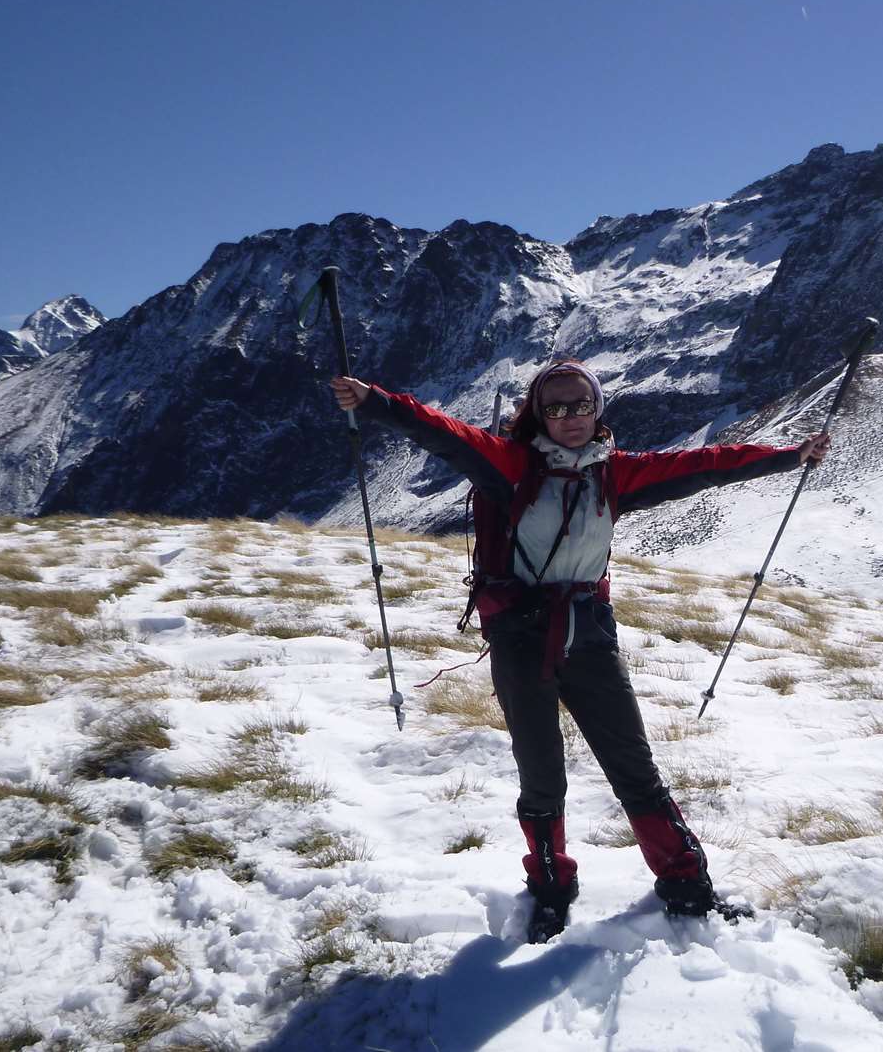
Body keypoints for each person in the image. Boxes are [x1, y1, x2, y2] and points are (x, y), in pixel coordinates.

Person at [330, 360, 829, 942]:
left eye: (581, 405)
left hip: (589, 633)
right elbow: (444, 432)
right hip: (521, 640)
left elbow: (705, 466)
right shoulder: (512, 466)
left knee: (635, 770)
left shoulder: (615, 475)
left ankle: (687, 884)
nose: (570, 418)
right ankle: (550, 888)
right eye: (557, 408)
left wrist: (790, 455)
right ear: (538, 415)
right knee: (542, 777)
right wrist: (375, 401)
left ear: (599, 410)